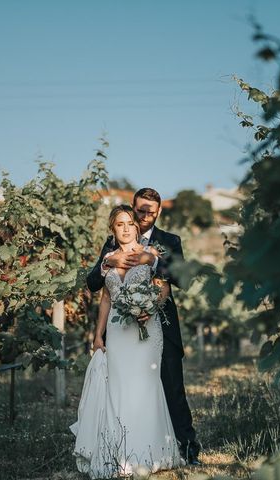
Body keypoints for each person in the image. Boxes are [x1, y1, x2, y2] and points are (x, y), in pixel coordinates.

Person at [86, 188, 201, 465]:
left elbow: (182, 281)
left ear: (158, 211)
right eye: (140, 209)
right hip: (120, 331)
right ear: (133, 209)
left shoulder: (169, 241)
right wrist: (106, 262)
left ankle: (188, 451)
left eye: (151, 210)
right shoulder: (112, 243)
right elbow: (95, 285)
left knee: (172, 389)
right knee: (126, 387)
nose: (145, 214)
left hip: (161, 327)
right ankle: (125, 447)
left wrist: (156, 261)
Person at [71, 205, 183, 478]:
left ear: (136, 226)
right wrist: (98, 335)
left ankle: (148, 453)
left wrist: (151, 307)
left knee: (145, 386)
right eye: (119, 224)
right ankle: (119, 452)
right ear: (113, 229)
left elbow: (164, 288)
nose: (125, 228)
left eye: (129, 223)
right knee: (117, 388)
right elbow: (106, 298)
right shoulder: (108, 259)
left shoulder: (150, 254)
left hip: (146, 329)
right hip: (117, 332)